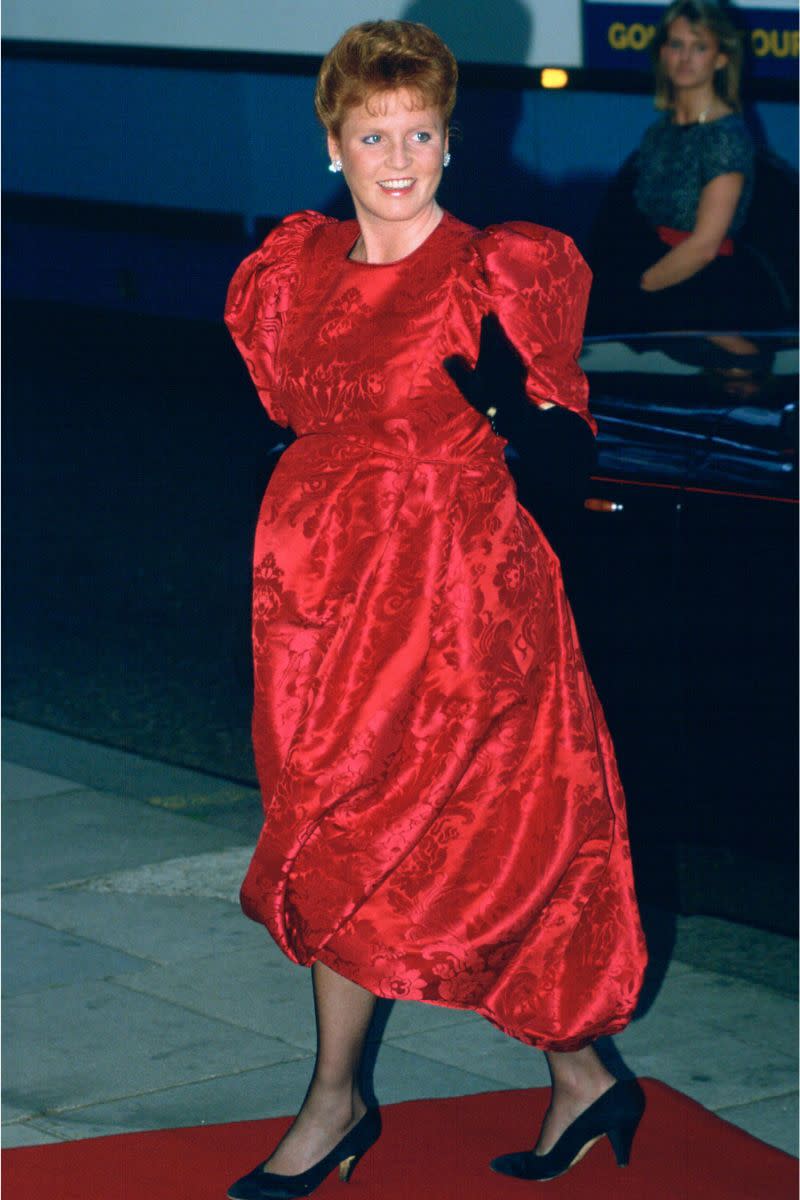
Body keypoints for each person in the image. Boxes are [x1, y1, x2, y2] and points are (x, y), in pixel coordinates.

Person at [224, 20, 647, 1197]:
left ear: (449, 141)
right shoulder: (288, 267)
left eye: (418, 133)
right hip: (318, 597)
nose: (396, 157)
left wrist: (519, 415)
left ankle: (355, 1100)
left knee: (484, 848)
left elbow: (567, 456)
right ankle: (502, 1086)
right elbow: (280, 403)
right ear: (333, 143)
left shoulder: (493, 270)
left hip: (456, 601)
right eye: (372, 134)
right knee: (330, 837)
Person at [587, 0, 756, 333]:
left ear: (721, 58)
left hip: (705, 291)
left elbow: (705, 246)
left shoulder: (726, 136)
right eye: (676, 44)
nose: (685, 58)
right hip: (653, 273)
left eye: (700, 47)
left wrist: (637, 290)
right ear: (662, 53)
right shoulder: (659, 133)